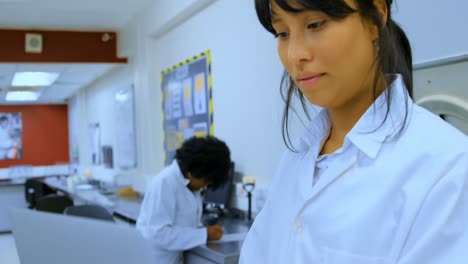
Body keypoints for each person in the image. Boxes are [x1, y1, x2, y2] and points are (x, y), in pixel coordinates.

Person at [240, 0, 468, 263]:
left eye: (315, 24)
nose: (294, 54)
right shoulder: (296, 160)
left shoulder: (447, 169)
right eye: (282, 33)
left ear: (375, 18)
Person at [137, 136, 232, 264]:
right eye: (206, 181)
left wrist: (202, 229)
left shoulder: (191, 186)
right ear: (193, 171)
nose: (205, 187)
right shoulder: (165, 183)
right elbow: (159, 233)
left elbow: (183, 223)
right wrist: (204, 235)